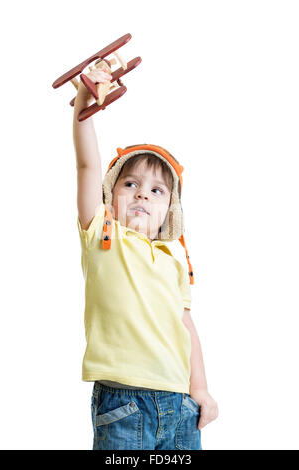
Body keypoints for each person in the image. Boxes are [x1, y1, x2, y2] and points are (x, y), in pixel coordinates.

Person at [73, 66, 218, 450]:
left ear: (169, 210)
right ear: (111, 194)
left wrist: (200, 389)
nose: (141, 195)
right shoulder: (103, 233)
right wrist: (84, 109)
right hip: (125, 404)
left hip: (181, 405)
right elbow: (87, 166)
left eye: (156, 191)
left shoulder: (173, 255)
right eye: (131, 184)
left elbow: (186, 324)